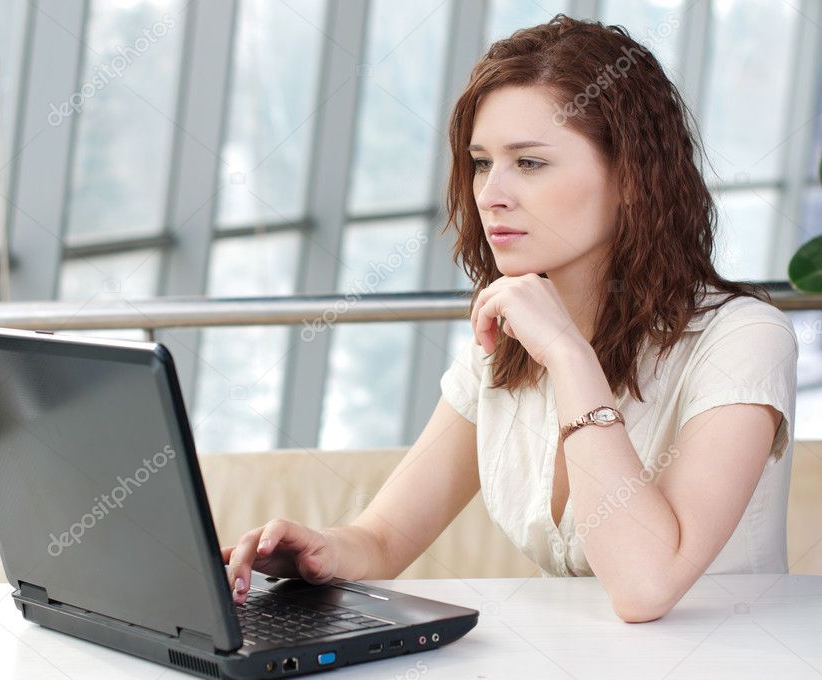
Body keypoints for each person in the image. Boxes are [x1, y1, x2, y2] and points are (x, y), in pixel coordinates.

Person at [221, 14, 798, 623]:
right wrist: (321, 552)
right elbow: (386, 537)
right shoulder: (506, 342)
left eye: (529, 163)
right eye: (480, 162)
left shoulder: (742, 340)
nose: (490, 192)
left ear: (631, 178)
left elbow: (645, 587)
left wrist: (571, 357)